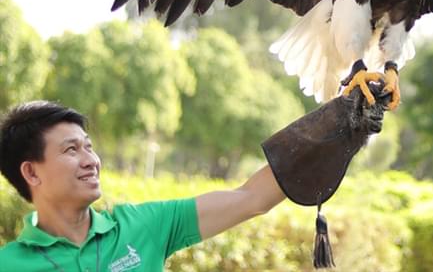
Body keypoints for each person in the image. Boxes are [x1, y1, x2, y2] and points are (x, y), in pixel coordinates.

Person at [0, 88, 385, 271]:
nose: (91, 160)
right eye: (71, 151)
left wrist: (339, 123)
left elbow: (251, 198)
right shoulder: (10, 264)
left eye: (89, 147)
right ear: (30, 171)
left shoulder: (145, 226)